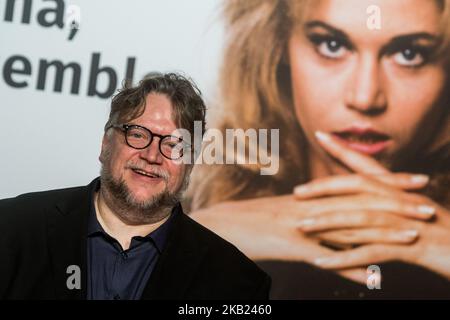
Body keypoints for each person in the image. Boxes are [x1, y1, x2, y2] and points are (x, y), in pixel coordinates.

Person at [187, 0, 450, 299]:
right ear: (279, 45)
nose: (365, 98)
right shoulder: (177, 204)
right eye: (332, 45)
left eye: (409, 54)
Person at [0, 72, 271, 300]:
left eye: (174, 145)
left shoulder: (237, 283)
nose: (152, 156)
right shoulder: (11, 228)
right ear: (105, 144)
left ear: (190, 163)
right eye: (137, 135)